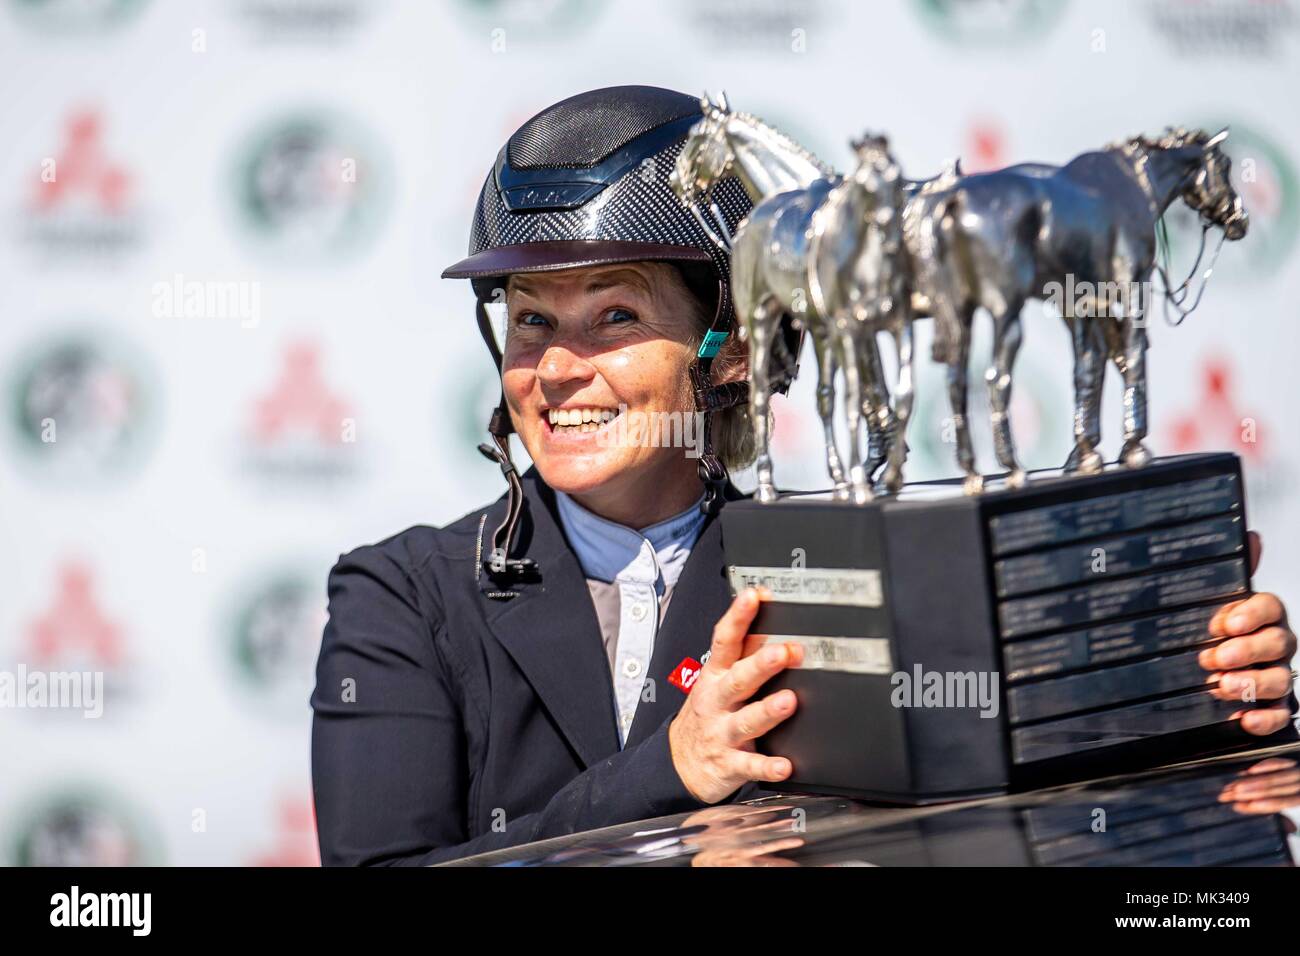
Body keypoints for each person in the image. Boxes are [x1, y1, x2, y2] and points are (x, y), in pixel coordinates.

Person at [309, 85, 1297, 866]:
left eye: (612, 316)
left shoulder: (848, 572)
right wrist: (668, 772)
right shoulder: (401, 596)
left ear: (733, 348)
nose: (558, 366)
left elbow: (1029, 814)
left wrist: (1197, 700)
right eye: (532, 319)